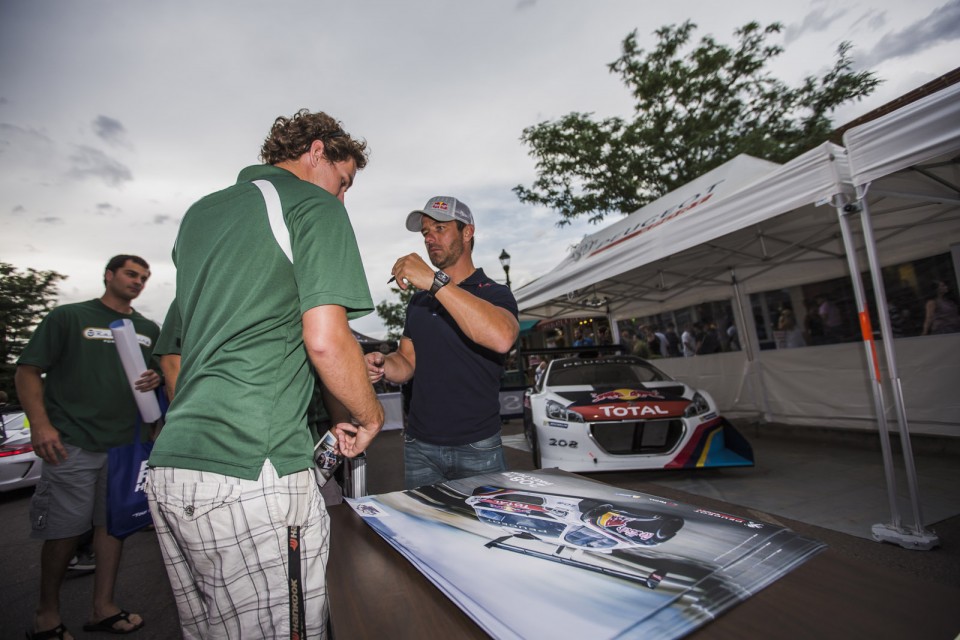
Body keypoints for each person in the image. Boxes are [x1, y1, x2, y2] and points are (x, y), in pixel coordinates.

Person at [145, 109, 384, 639]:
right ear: (316, 152)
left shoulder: (201, 216)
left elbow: (174, 354)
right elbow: (325, 339)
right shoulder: (311, 206)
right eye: (342, 183)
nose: (341, 198)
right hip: (255, 469)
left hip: (173, 466)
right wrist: (368, 414)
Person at [16, 255, 161, 638]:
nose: (138, 281)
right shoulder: (69, 317)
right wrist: (40, 426)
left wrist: (156, 377)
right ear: (109, 275)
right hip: (72, 443)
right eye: (131, 274)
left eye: (144, 277)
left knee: (112, 528)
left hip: (126, 448)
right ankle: (46, 615)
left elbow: (161, 376)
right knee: (64, 530)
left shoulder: (148, 328)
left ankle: (103, 607)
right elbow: (27, 370)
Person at [365, 196, 519, 490]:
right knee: (422, 534)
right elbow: (407, 361)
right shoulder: (420, 300)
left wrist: (434, 282)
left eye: (439, 228)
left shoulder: (493, 293)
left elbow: (501, 338)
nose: (430, 238)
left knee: (482, 532)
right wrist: (383, 364)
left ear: (467, 232)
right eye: (425, 232)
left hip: (477, 447)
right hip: (420, 447)